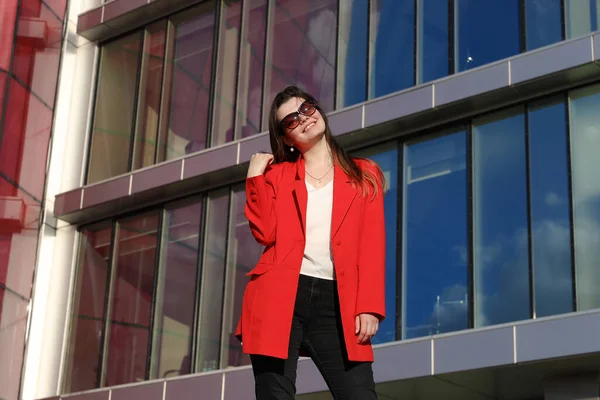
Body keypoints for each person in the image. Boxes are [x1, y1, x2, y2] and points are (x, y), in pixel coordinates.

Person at [235, 86, 386, 400]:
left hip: (337, 301)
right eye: (290, 120)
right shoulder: (278, 174)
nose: (302, 119)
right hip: (279, 296)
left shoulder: (363, 173)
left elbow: (372, 243)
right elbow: (264, 232)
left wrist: (369, 306)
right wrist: (254, 177)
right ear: (286, 137)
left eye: (306, 109)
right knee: (275, 395)